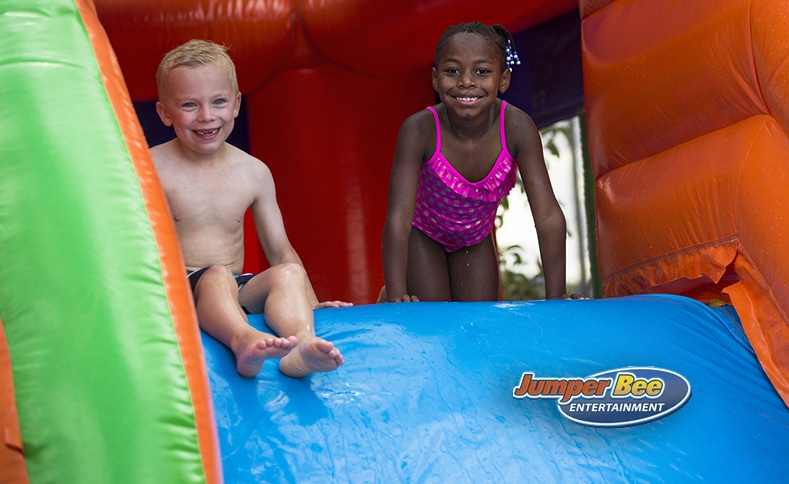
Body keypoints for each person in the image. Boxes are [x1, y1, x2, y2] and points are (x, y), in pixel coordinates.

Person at [151, 39, 349, 378]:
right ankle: (243, 339)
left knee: (289, 274)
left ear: (236, 104)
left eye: (218, 102)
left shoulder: (252, 171)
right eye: (189, 105)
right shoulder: (151, 167)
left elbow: (279, 249)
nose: (206, 116)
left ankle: (302, 345)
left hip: (234, 286)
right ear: (165, 113)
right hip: (180, 289)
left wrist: (313, 303)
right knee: (215, 276)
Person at [381, 22, 580, 302]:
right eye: (452, 71)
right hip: (423, 236)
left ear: (504, 79)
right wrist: (398, 294)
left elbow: (547, 215)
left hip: (474, 239)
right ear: (436, 79)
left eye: (482, 72)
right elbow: (398, 219)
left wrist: (556, 296)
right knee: (435, 319)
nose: (466, 81)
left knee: (477, 323)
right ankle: (388, 293)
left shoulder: (517, 128)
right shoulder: (419, 130)